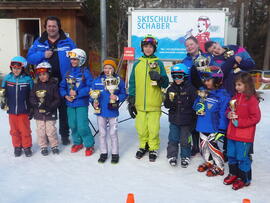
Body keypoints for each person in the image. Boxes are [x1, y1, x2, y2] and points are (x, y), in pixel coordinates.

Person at [27, 16, 76, 145]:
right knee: (47, 108)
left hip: (64, 82)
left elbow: (77, 58)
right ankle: (48, 136)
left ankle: (64, 135)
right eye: (49, 26)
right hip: (45, 82)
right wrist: (42, 55)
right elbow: (30, 58)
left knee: (64, 110)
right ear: (45, 27)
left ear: (59, 27)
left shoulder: (68, 42)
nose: (51, 28)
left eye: (54, 26)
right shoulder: (39, 42)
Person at [128, 34, 169, 162]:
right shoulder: (137, 64)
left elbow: (166, 83)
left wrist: (160, 78)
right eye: (146, 46)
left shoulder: (159, 63)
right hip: (140, 103)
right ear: (142, 48)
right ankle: (143, 146)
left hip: (154, 103)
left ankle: (153, 148)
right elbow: (132, 82)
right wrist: (131, 98)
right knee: (141, 128)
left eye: (151, 46)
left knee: (153, 128)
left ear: (154, 48)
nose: (148, 49)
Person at [224, 72, 261, 190]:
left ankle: (244, 178)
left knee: (242, 157)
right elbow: (228, 110)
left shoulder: (252, 100)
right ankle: (233, 174)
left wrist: (240, 122)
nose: (236, 87)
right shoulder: (234, 97)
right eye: (236, 85)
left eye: (239, 85)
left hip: (244, 136)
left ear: (247, 85)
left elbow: (256, 117)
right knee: (231, 155)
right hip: (231, 133)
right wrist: (228, 114)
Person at [193, 66, 230, 176]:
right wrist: (198, 106)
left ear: (217, 80)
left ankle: (219, 166)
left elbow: (223, 115)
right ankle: (208, 162)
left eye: (208, 80)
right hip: (202, 125)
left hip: (213, 127)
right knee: (203, 146)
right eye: (204, 80)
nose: (206, 82)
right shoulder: (203, 92)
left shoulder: (222, 96)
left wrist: (222, 129)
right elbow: (195, 104)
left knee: (213, 147)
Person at [91, 58, 127, 164]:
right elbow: (92, 93)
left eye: (110, 68)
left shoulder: (119, 80)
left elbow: (124, 94)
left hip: (112, 111)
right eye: (105, 67)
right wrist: (94, 101)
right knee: (102, 133)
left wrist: (116, 97)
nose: (107, 70)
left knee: (113, 133)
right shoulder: (97, 80)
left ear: (114, 69)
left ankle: (115, 153)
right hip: (100, 111)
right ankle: (103, 153)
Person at [59, 48, 95, 156]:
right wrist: (65, 95)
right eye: (71, 59)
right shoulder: (68, 72)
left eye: (75, 59)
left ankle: (89, 144)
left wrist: (78, 93)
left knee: (82, 125)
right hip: (70, 104)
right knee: (72, 124)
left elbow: (90, 87)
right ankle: (77, 142)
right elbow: (62, 86)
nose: (73, 61)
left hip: (81, 103)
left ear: (81, 60)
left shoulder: (85, 73)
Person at [182, 36, 211, 156]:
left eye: (191, 44)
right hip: (191, 95)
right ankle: (195, 146)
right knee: (193, 120)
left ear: (197, 44)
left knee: (205, 119)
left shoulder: (207, 58)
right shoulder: (185, 61)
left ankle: (207, 145)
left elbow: (212, 75)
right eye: (187, 45)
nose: (189, 47)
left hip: (205, 93)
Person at [164, 63, 197, 167]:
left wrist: (194, 116)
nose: (177, 79)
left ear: (185, 76)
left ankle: (185, 156)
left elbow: (194, 104)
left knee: (185, 140)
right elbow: (166, 105)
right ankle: (172, 155)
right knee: (173, 138)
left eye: (179, 76)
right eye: (174, 76)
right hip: (174, 119)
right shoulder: (171, 89)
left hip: (187, 121)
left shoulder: (191, 89)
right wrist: (170, 100)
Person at [1, 56, 33, 157]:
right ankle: (17, 146)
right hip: (11, 110)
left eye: (18, 68)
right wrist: (2, 101)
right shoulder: (7, 78)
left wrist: (32, 108)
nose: (16, 70)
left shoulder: (28, 79)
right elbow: (3, 92)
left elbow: (31, 95)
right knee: (14, 130)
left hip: (24, 110)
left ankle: (27, 146)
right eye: (14, 68)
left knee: (25, 130)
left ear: (23, 68)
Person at [29, 62, 60, 156]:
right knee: (41, 131)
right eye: (40, 75)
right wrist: (37, 104)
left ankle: (54, 145)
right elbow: (31, 97)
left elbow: (57, 99)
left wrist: (50, 107)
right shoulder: (36, 86)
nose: (42, 76)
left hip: (50, 113)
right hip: (39, 113)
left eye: (44, 74)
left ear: (49, 74)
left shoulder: (53, 85)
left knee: (50, 131)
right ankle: (43, 146)